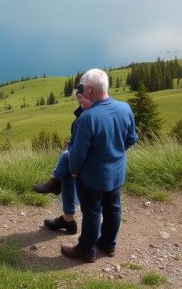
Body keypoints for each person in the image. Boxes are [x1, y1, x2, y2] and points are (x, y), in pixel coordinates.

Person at [61, 69, 137, 262]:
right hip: (116, 173)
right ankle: (108, 244)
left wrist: (75, 172)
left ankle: (85, 250)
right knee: (113, 208)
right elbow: (131, 139)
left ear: (89, 90)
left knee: (92, 212)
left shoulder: (88, 118)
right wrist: (114, 152)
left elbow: (77, 153)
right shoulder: (124, 108)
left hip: (92, 176)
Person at [33, 88, 94, 234]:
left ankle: (55, 182)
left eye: (82, 95)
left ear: (92, 92)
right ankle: (68, 220)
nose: (79, 98)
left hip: (95, 160)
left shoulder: (95, 113)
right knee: (67, 162)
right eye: (78, 96)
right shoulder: (88, 111)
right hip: (87, 154)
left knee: (67, 158)